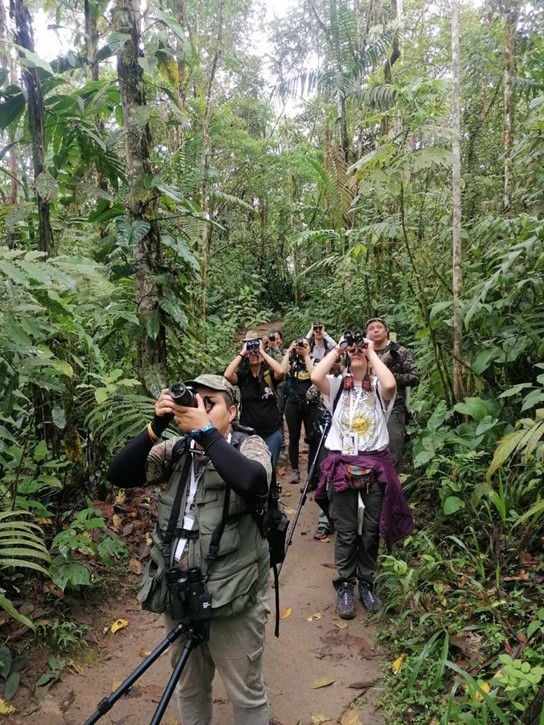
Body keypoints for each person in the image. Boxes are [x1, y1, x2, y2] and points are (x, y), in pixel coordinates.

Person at [107, 375, 272, 725]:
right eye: (196, 401)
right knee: (189, 687)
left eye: (210, 403)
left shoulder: (250, 445)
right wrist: (157, 425)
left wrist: (206, 432)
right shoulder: (179, 450)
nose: (200, 408)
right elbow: (119, 474)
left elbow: (253, 480)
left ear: (233, 411)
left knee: (246, 692)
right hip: (179, 590)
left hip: (233, 592)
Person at [311, 332, 414, 618]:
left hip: (374, 468)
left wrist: (369, 352)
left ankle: (366, 583)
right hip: (342, 467)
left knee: (370, 531)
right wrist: (340, 348)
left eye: (361, 351)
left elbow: (391, 384)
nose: (356, 352)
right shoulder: (337, 387)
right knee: (346, 531)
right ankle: (345, 585)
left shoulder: (378, 387)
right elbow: (316, 376)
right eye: (353, 351)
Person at [364, 318, 420, 472]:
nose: (376, 330)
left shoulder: (400, 351)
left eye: (379, 327)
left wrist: (389, 377)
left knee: (392, 451)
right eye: (371, 328)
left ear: (386, 331)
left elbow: (414, 377)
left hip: (394, 406)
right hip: (367, 407)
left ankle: (393, 484)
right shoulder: (362, 353)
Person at [224, 330, 284, 468]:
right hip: (248, 433)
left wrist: (262, 351)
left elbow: (280, 371)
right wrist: (243, 352)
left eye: (256, 351)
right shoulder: (242, 376)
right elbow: (227, 375)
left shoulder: (269, 374)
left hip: (271, 431)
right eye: (251, 352)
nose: (254, 354)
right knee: (250, 467)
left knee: (269, 467)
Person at [280, 337, 318, 483]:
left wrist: (306, 356)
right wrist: (289, 352)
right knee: (294, 438)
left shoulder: (315, 361)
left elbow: (314, 376)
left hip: (310, 404)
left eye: (305, 345)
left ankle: (311, 474)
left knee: (312, 438)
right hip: (293, 402)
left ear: (310, 347)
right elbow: (282, 371)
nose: (302, 347)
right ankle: (295, 470)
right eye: (299, 345)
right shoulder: (293, 361)